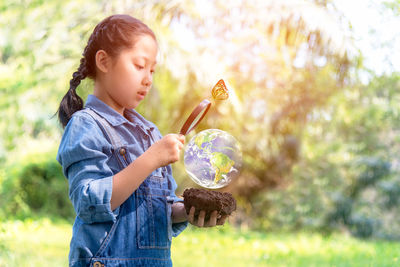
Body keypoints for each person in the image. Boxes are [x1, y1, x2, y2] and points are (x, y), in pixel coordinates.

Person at [56, 14, 228, 267]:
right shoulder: (86, 125)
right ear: (103, 61)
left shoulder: (150, 132)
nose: (148, 79)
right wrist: (151, 159)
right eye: (139, 65)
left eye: (152, 70)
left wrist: (188, 212)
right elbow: (88, 202)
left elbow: (159, 208)